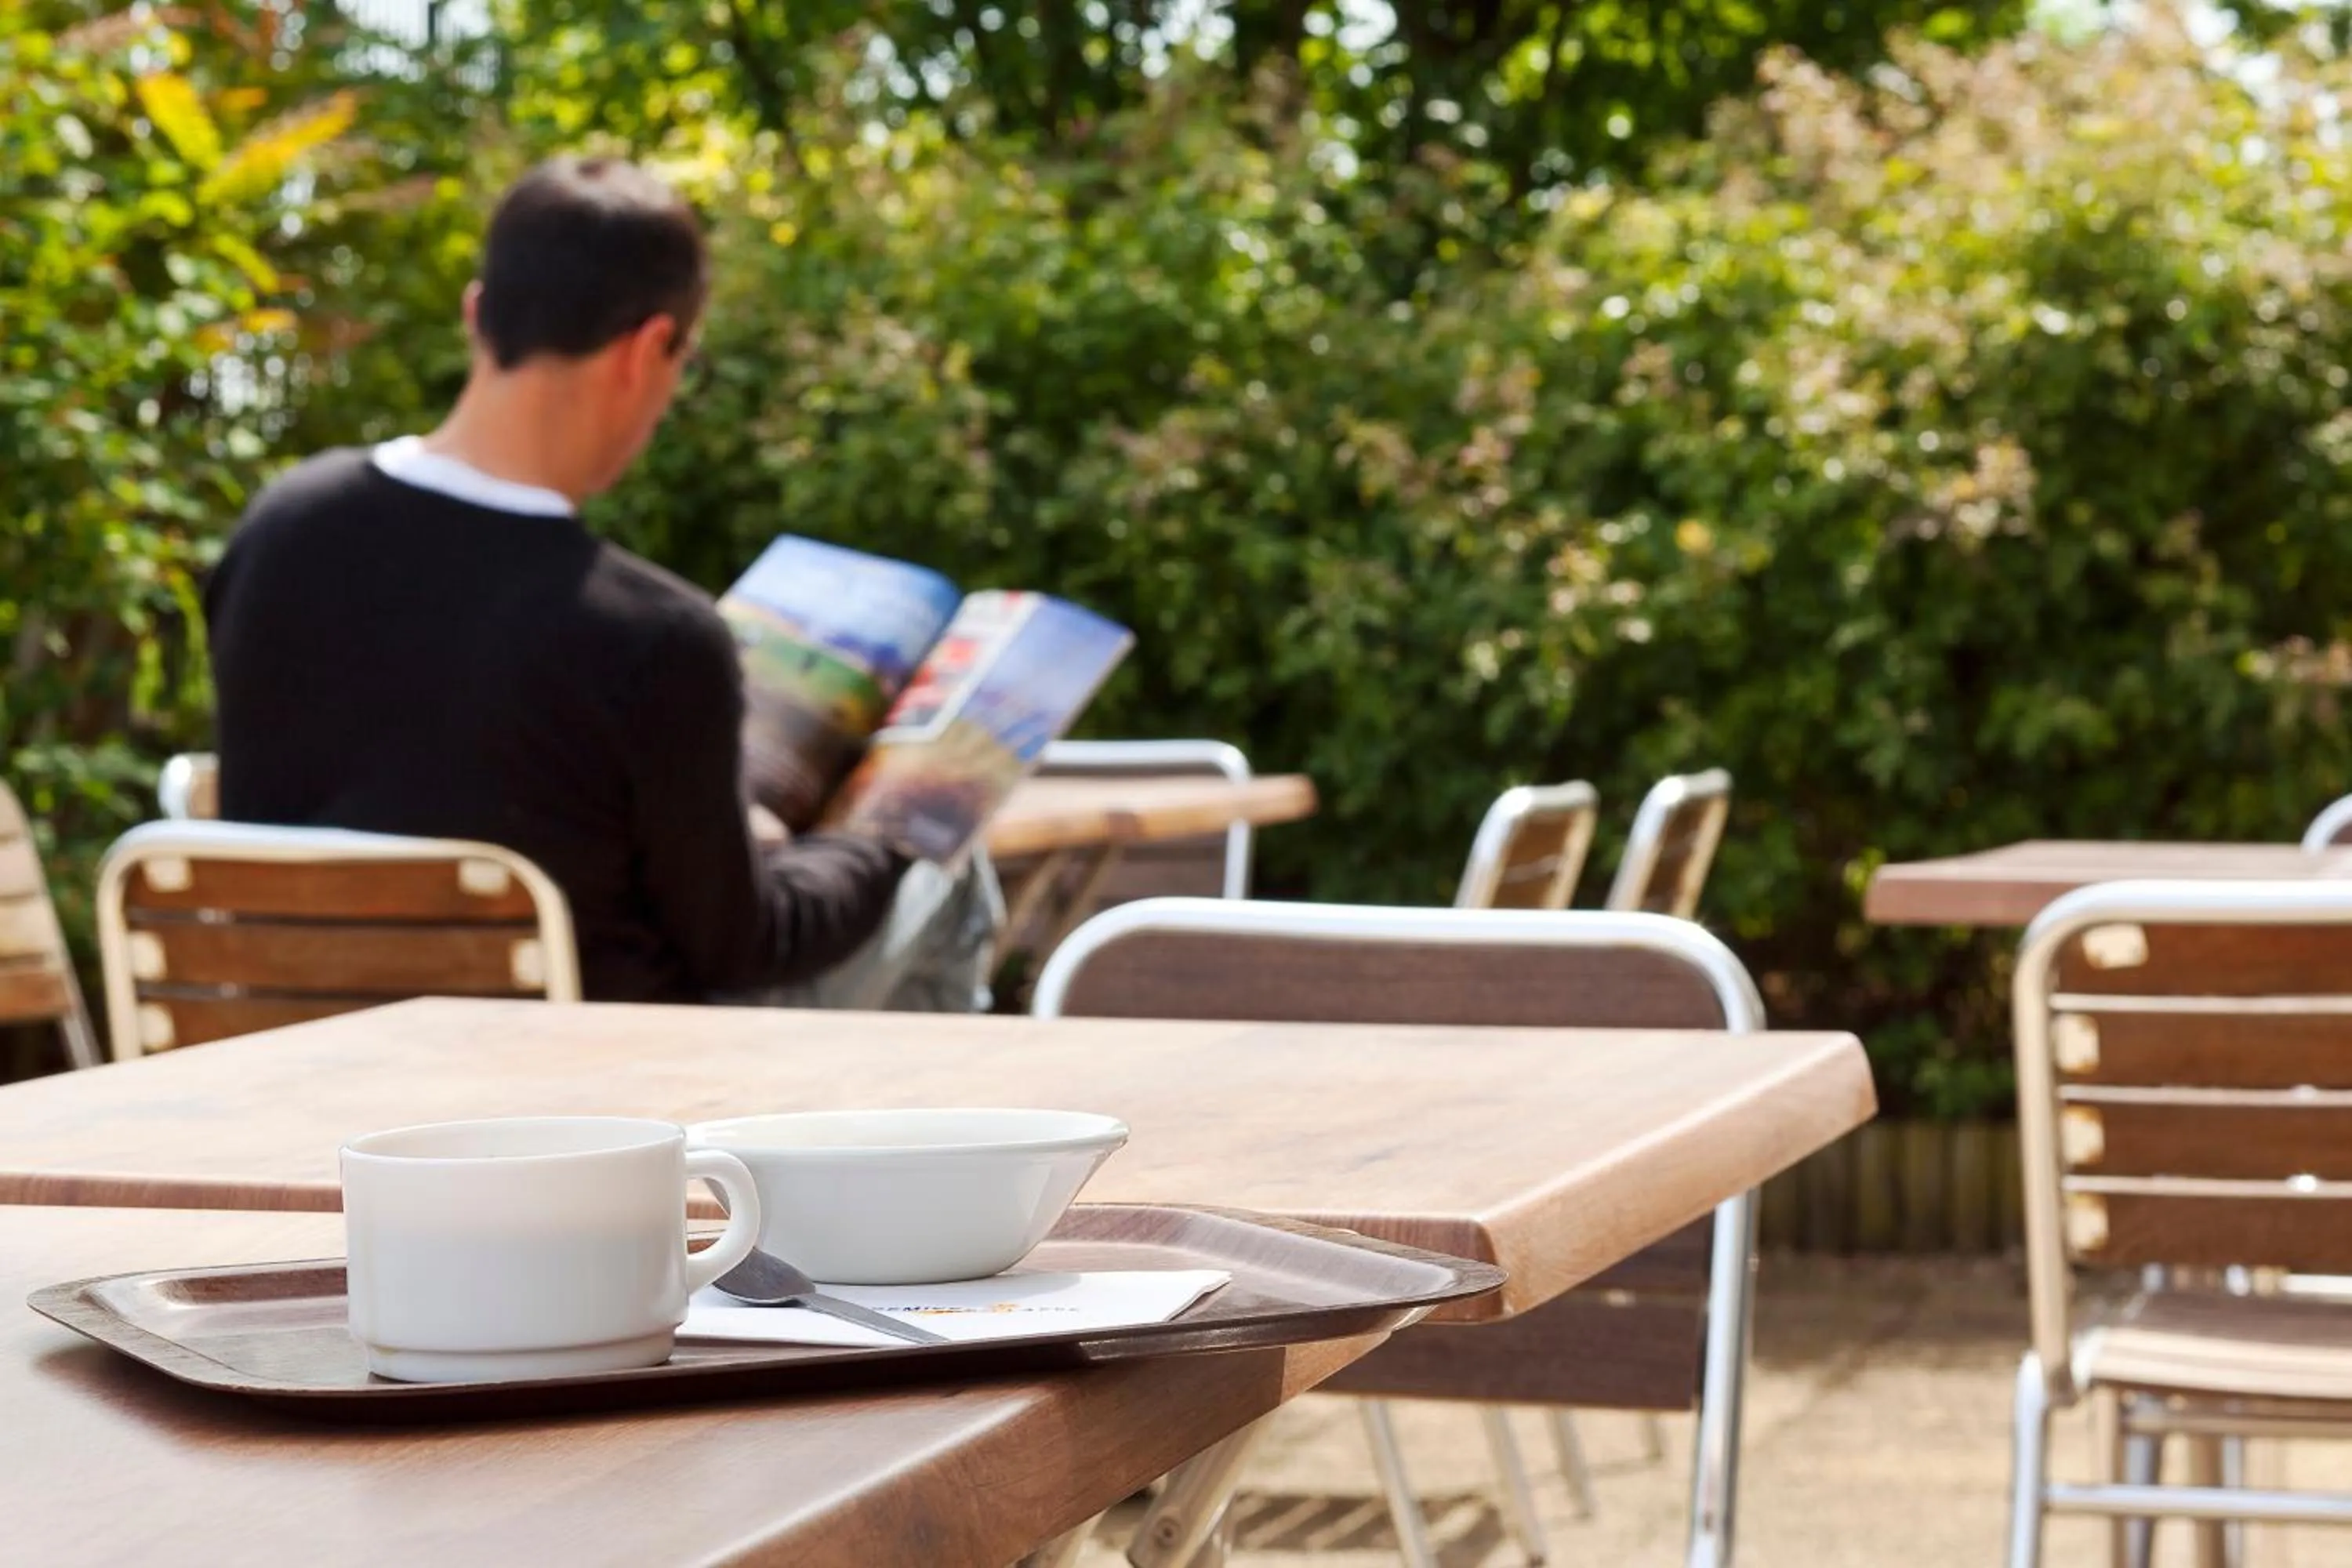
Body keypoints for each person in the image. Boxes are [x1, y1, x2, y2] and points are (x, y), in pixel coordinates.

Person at [204, 156, 921, 1003]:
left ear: (478, 313)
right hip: (577, 1074)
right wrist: (887, 833)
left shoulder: (280, 527)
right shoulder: (653, 640)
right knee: (944, 884)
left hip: (306, 1051)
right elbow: (746, 943)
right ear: (648, 349)